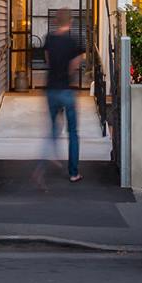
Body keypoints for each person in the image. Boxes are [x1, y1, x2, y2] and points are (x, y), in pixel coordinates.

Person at [42, 11, 85, 183]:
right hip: (66, 90)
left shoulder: (49, 39)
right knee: (73, 132)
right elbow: (74, 65)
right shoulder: (74, 40)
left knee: (53, 128)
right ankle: (74, 173)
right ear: (71, 21)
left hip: (51, 89)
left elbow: (47, 61)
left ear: (55, 21)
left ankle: (46, 160)